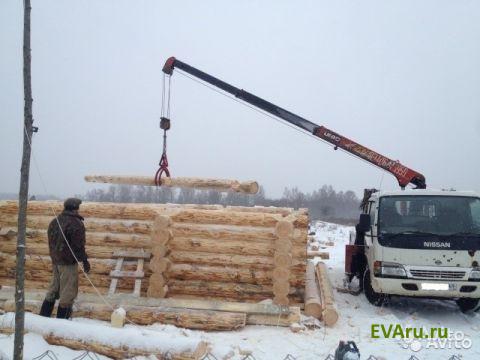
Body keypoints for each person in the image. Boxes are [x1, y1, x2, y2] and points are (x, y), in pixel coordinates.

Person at [39, 198, 90, 319]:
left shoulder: (54, 221)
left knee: (53, 289)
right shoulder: (75, 223)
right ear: (75, 208)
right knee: (68, 292)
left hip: (56, 261)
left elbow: (51, 242)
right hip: (68, 263)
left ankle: (42, 318)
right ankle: (62, 324)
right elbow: (78, 245)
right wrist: (84, 260)